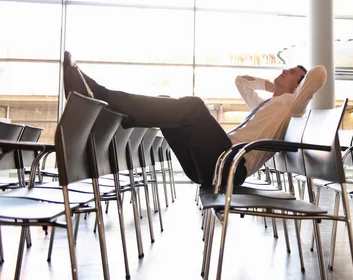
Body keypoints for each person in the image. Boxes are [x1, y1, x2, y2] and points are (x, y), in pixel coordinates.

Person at [62, 52, 327, 186]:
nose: (284, 70)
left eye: (291, 72)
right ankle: (109, 109)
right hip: (209, 165)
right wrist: (273, 86)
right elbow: (241, 82)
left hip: (230, 167)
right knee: (167, 101)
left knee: (193, 106)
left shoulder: (293, 106)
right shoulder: (268, 103)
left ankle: (102, 95)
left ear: (299, 87)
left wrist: (291, 90)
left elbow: (318, 74)